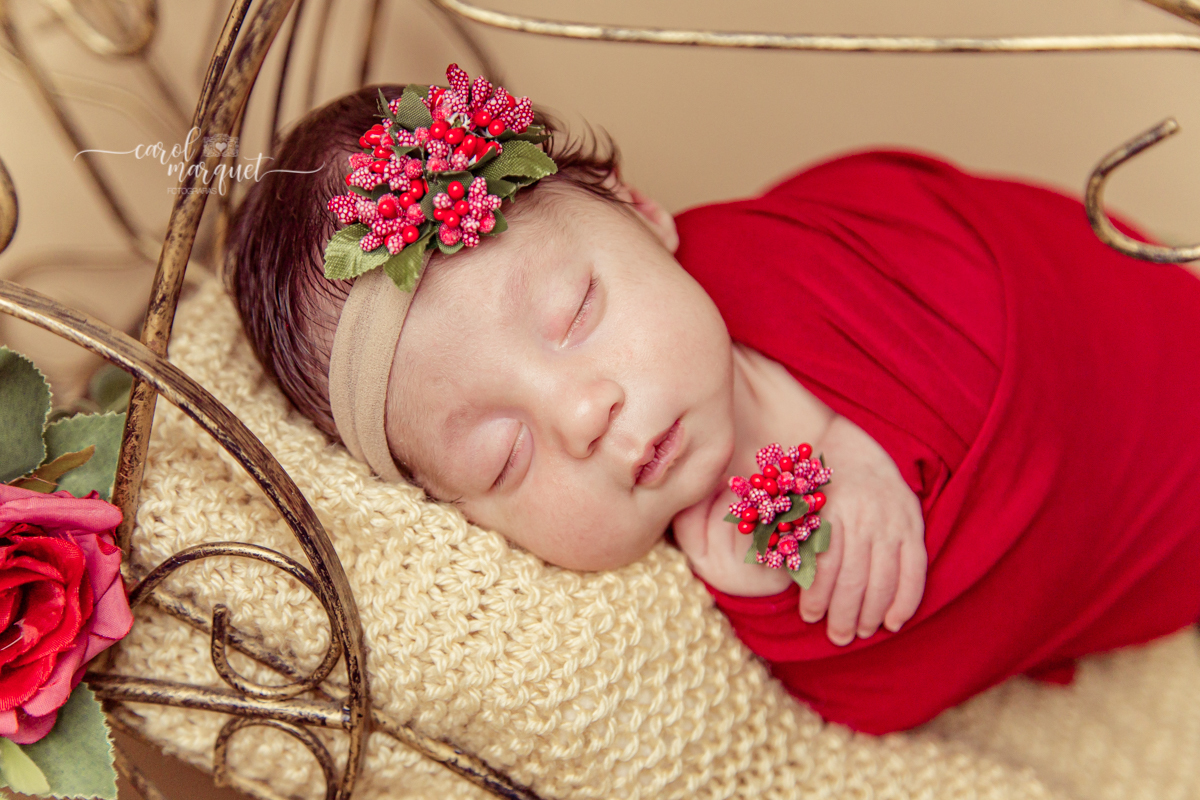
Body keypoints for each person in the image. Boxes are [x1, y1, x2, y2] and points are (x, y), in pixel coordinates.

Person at [227, 68, 1200, 734]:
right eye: (502, 456)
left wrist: (867, 449)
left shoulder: (804, 261)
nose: (582, 414)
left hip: (1126, 342)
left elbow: (1019, 333)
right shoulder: (680, 615)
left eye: (575, 312)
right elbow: (885, 680)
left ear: (644, 213)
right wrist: (784, 593)